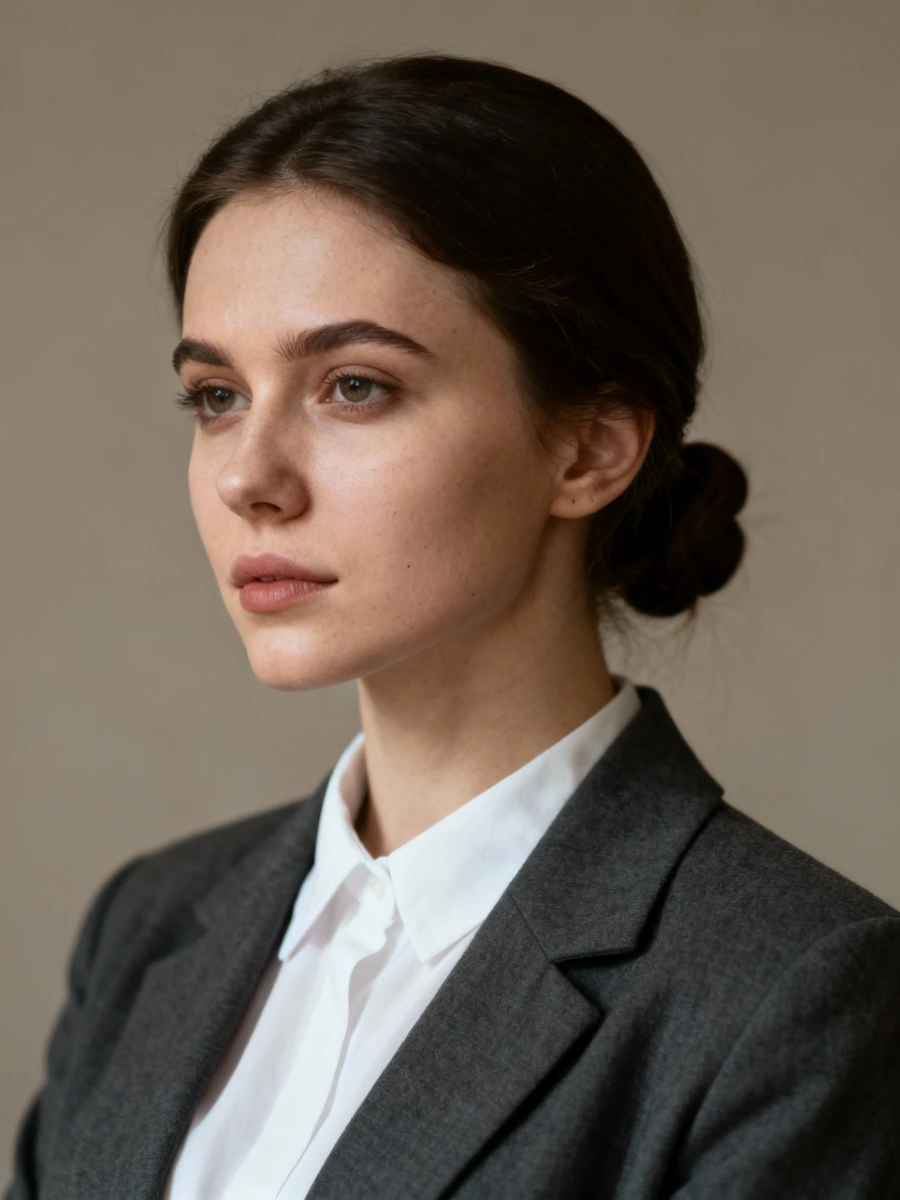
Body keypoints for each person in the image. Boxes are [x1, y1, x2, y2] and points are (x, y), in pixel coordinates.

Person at [6, 51, 899, 1200]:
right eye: (216, 397)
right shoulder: (150, 925)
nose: (249, 479)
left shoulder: (792, 993)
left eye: (355, 386)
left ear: (589, 448)